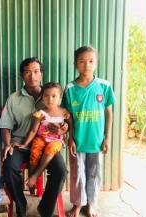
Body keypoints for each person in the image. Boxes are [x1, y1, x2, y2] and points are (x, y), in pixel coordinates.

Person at [0, 57, 68, 217]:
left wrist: (63, 130)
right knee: (9, 167)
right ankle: (21, 204)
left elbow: (66, 118)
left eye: (36, 71)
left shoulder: (52, 94)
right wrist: (8, 144)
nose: (32, 76)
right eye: (27, 72)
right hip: (21, 144)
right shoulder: (14, 98)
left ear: (41, 74)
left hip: (48, 144)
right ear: (22, 75)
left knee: (60, 170)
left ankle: (45, 208)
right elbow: (5, 125)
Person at [63, 45, 115, 217]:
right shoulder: (70, 88)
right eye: (82, 61)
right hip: (77, 141)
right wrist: (70, 138)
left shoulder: (104, 86)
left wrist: (107, 137)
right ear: (75, 64)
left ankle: (91, 204)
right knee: (77, 174)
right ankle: (78, 204)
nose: (87, 65)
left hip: (96, 140)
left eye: (91, 61)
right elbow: (68, 116)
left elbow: (108, 112)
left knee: (93, 173)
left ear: (96, 63)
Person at [15, 82, 71, 190]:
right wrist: (24, 144)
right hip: (41, 138)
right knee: (35, 149)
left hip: (56, 140)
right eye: (46, 96)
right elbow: (33, 131)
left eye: (54, 96)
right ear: (42, 97)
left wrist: (66, 128)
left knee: (50, 148)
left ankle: (35, 176)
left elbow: (70, 126)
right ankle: (31, 180)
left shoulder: (64, 112)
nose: (50, 99)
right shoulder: (40, 113)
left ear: (60, 97)